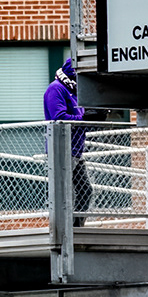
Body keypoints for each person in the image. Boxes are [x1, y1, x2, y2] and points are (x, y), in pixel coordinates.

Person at [43, 55, 92, 221]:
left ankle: (76, 227)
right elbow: (59, 117)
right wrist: (85, 119)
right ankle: (65, 228)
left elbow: (80, 117)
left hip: (75, 149)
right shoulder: (56, 89)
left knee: (85, 190)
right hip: (62, 149)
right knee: (64, 193)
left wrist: (92, 117)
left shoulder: (75, 91)